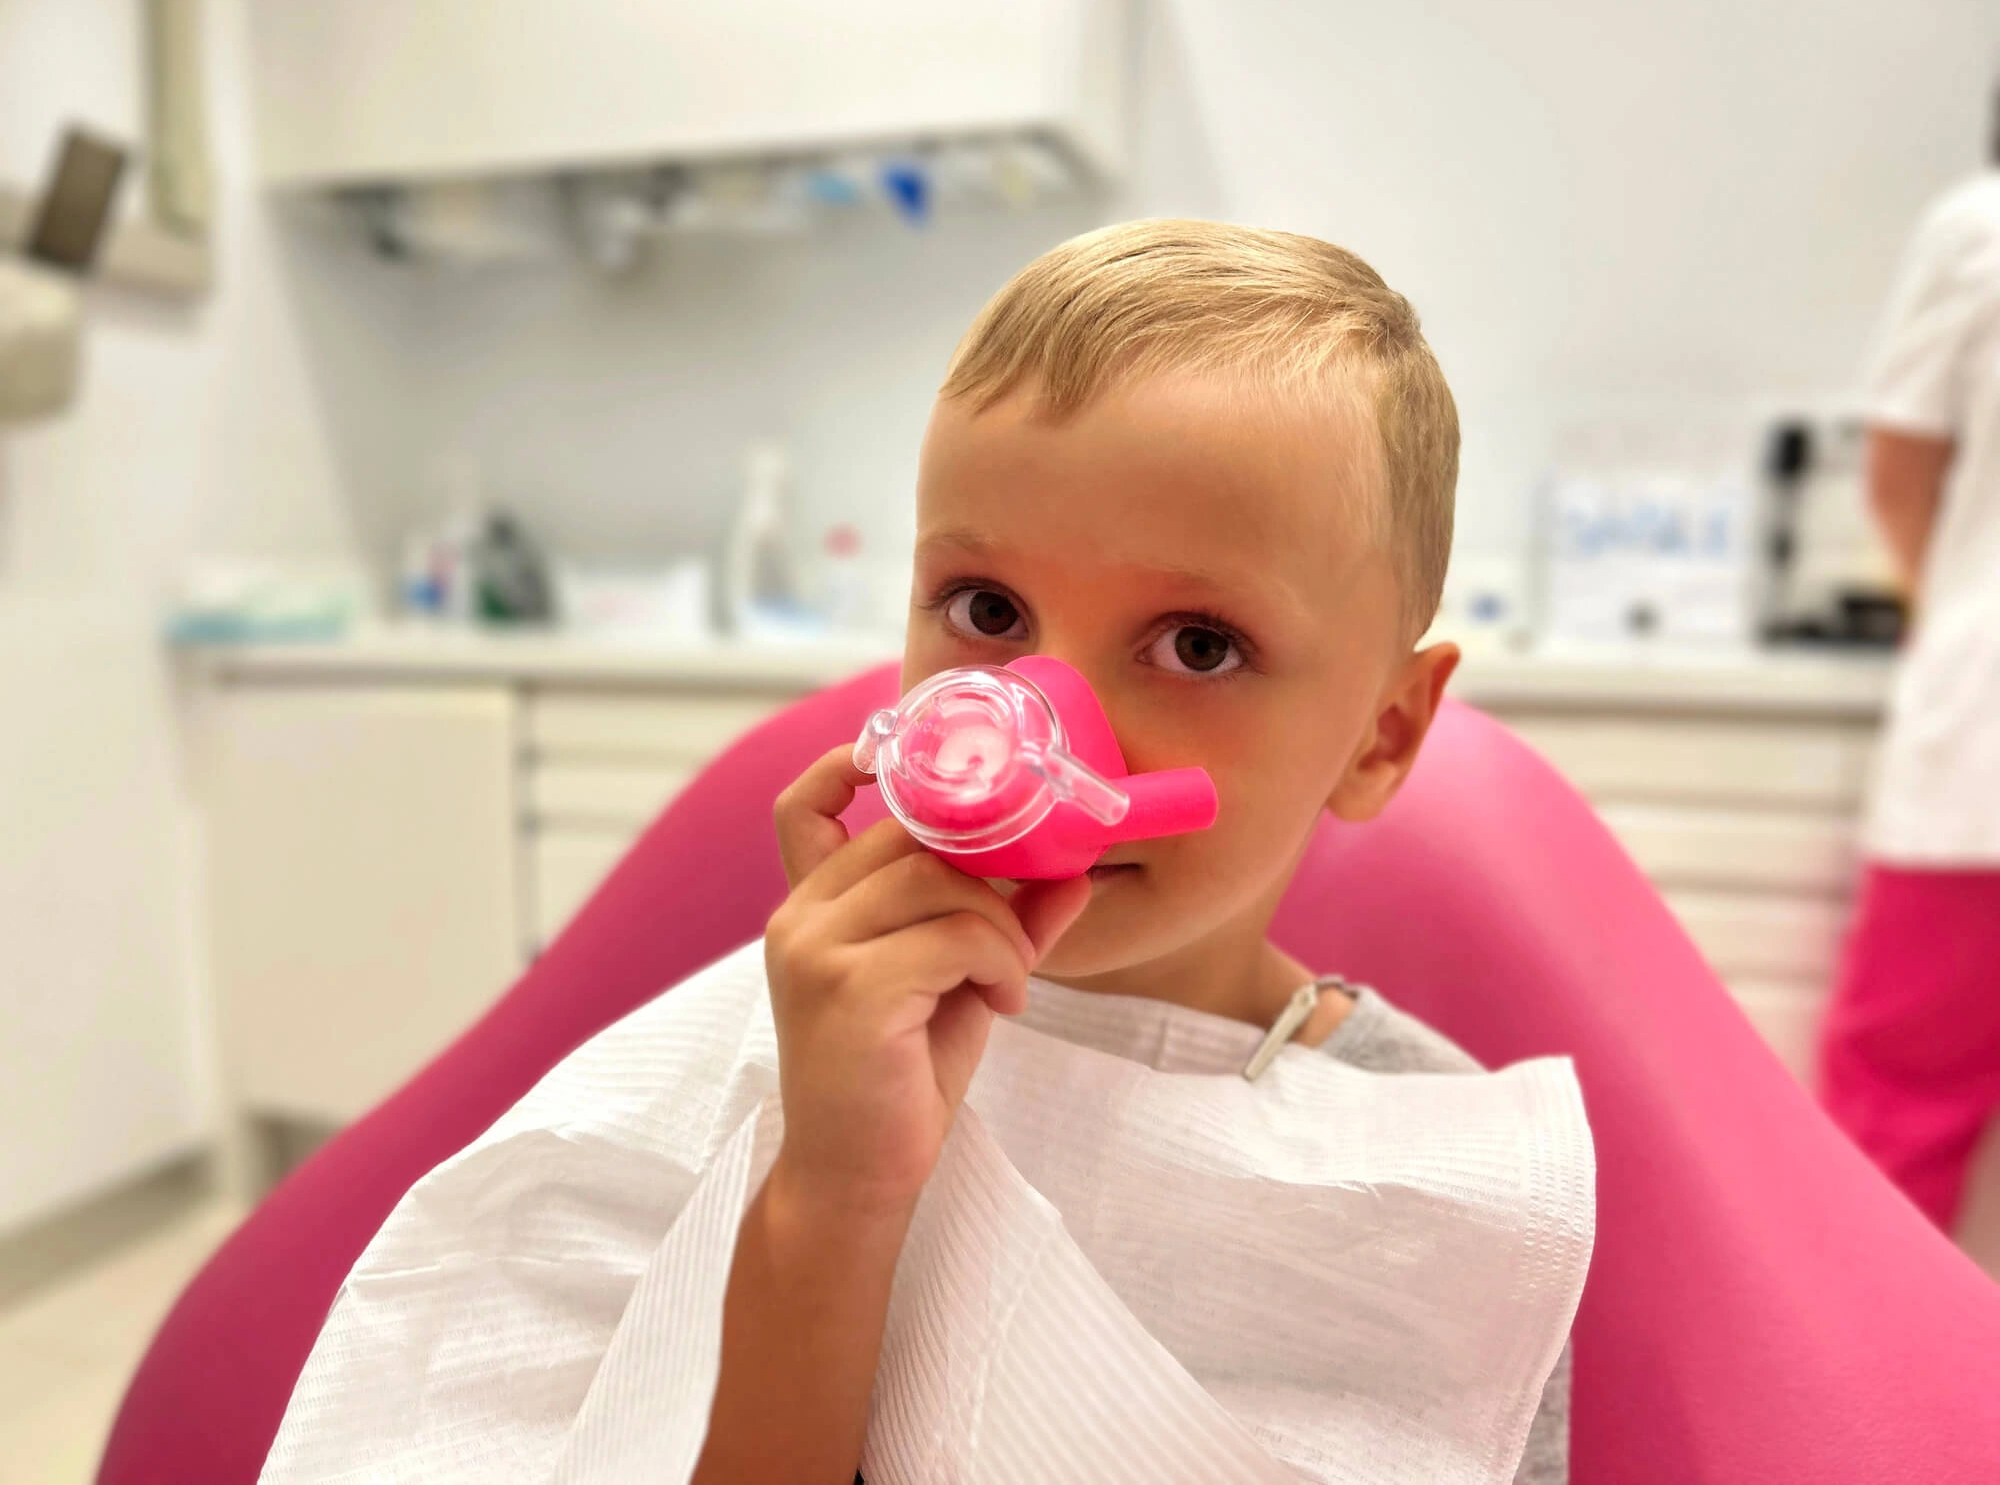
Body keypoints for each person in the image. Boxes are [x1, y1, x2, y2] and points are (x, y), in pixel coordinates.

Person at [267, 221, 1584, 1484]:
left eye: (1198, 646)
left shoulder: (1429, 1168)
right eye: (987, 611)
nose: (1036, 729)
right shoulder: (806, 1030)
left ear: (1380, 733)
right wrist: (833, 1189)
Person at [1818, 101, 2000, 1235]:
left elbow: (1896, 468)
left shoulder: (1978, 227)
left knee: (1896, 1112)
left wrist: (1949, 602)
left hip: (1981, 745)